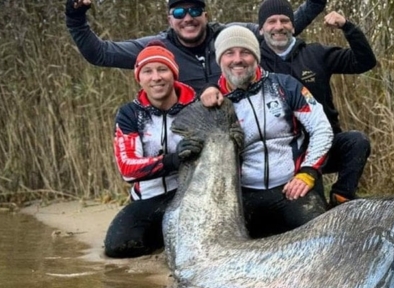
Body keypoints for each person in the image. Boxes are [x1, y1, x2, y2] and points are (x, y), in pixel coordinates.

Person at [201, 26, 333, 237]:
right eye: (229, 53)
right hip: (242, 196)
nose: (238, 59)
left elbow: (321, 128)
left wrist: (307, 172)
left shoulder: (285, 85)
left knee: (320, 236)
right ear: (220, 60)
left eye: (245, 52)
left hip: (290, 188)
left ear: (257, 56)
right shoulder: (212, 102)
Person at [256, 0, 377, 207]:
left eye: (285, 20)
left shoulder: (316, 53)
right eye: (271, 22)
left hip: (323, 142)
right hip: (284, 152)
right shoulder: (254, 63)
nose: (279, 26)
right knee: (312, 208)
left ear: (293, 26)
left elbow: (365, 61)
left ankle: (341, 198)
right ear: (261, 29)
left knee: (357, 142)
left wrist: (347, 26)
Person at [65, 0, 326, 93]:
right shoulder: (157, 47)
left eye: (195, 10)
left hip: (240, 129)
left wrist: (315, 2)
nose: (187, 17)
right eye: (179, 11)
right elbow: (99, 54)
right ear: (170, 18)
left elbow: (276, 31)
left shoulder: (231, 35)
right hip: (190, 136)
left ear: (206, 14)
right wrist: (75, 18)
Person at [105, 42, 199, 258]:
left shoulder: (195, 108)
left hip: (188, 197)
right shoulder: (129, 114)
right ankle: (161, 242)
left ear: (174, 74)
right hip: (148, 199)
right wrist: (172, 161)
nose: (156, 77)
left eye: (162, 69)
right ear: (139, 78)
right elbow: (127, 168)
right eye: (147, 71)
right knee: (117, 246)